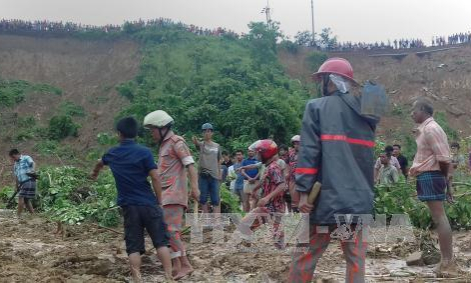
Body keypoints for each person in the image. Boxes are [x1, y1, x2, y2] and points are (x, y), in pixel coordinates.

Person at [288, 58, 380, 282]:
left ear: (328, 80)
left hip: (326, 202)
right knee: (356, 260)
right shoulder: (367, 114)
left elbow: (309, 153)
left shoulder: (316, 107)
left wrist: (302, 193)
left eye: (321, 79)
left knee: (305, 255)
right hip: (359, 203)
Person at [90, 117, 173, 282]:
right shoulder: (144, 152)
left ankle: (137, 279)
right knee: (161, 242)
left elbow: (100, 162)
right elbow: (155, 178)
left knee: (133, 247)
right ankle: (169, 277)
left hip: (129, 207)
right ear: (135, 134)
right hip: (149, 204)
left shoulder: (112, 153)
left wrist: (94, 173)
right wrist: (160, 201)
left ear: (119, 134)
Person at [144, 110, 200, 280]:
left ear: (162, 128)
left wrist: (195, 188)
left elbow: (190, 165)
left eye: (153, 129)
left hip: (174, 194)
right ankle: (176, 265)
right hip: (166, 194)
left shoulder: (177, 142)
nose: (152, 133)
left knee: (171, 230)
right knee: (168, 231)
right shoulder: (164, 146)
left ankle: (185, 265)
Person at [409, 97, 460, 277]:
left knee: (439, 217)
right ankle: (445, 261)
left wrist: (446, 180)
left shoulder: (431, 129)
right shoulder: (426, 129)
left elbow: (444, 158)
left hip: (432, 175)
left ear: (423, 110)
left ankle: (447, 262)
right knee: (438, 217)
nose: (411, 114)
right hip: (429, 175)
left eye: (414, 110)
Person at [239, 140, 287, 248]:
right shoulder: (268, 167)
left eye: (259, 153)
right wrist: (255, 189)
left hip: (274, 207)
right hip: (268, 207)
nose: (257, 155)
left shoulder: (273, 168)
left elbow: (282, 185)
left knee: (278, 238)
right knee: (245, 223)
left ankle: (284, 256)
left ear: (266, 154)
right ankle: (247, 241)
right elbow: (264, 180)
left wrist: (267, 198)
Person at [192, 123, 222, 214]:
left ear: (212, 133)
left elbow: (219, 161)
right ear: (202, 133)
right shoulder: (201, 145)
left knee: (215, 199)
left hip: (214, 175)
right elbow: (196, 144)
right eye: (204, 131)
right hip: (203, 175)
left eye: (208, 131)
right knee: (203, 199)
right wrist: (195, 140)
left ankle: (217, 222)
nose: (206, 133)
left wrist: (219, 174)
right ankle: (206, 221)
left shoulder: (217, 146)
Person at [9, 149, 36, 218]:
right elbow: (17, 176)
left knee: (21, 197)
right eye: (12, 158)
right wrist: (16, 186)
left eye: (14, 157)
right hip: (22, 183)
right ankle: (33, 215)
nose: (13, 159)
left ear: (17, 154)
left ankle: (18, 215)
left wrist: (32, 170)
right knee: (26, 200)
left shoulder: (26, 158)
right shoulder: (15, 164)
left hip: (29, 180)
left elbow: (33, 163)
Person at [287, 135, 300, 212]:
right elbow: (288, 164)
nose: (296, 145)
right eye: (295, 143)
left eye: (298, 143)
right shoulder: (291, 153)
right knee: (294, 198)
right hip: (292, 178)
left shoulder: (305, 153)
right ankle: (295, 214)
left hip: (302, 178)